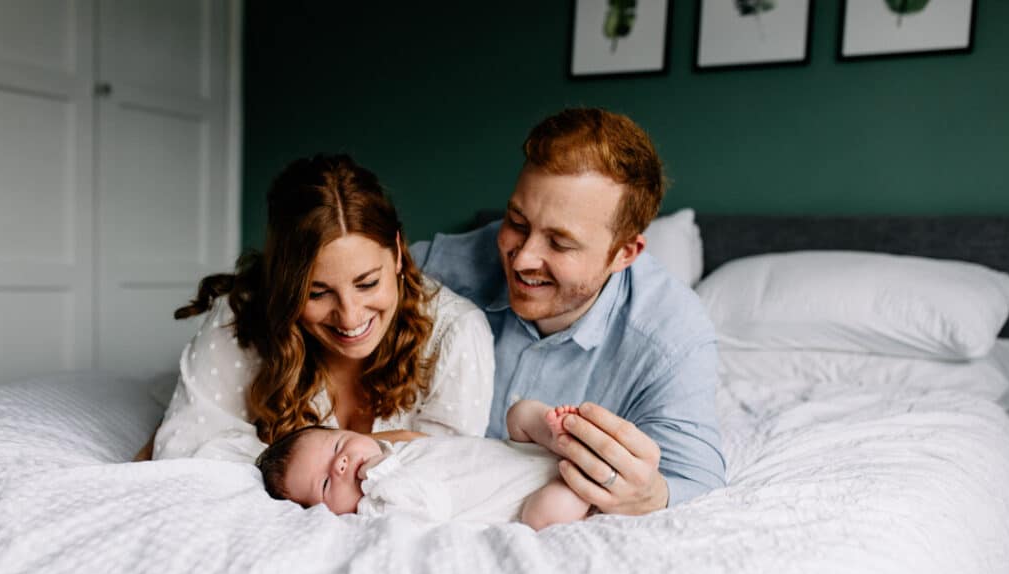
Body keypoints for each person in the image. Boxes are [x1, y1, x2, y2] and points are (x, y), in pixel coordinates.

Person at [410, 107, 726, 515]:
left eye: (559, 243)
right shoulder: (447, 267)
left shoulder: (672, 335)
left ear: (624, 253)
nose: (522, 258)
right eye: (517, 222)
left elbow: (698, 482)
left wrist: (650, 495)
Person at [138, 154, 495, 464]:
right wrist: (379, 447)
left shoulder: (457, 334)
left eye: (367, 283)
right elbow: (181, 449)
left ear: (399, 254)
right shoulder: (244, 311)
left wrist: (290, 458)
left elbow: (447, 474)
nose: (351, 316)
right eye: (317, 293)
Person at [256, 398, 593, 529]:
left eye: (340, 446)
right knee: (545, 513)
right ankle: (581, 478)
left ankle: (559, 438)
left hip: (524, 453)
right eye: (326, 484)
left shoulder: (389, 447)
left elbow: (429, 446)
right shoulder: (377, 509)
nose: (341, 466)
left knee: (519, 413)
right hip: (529, 497)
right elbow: (432, 506)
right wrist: (378, 474)